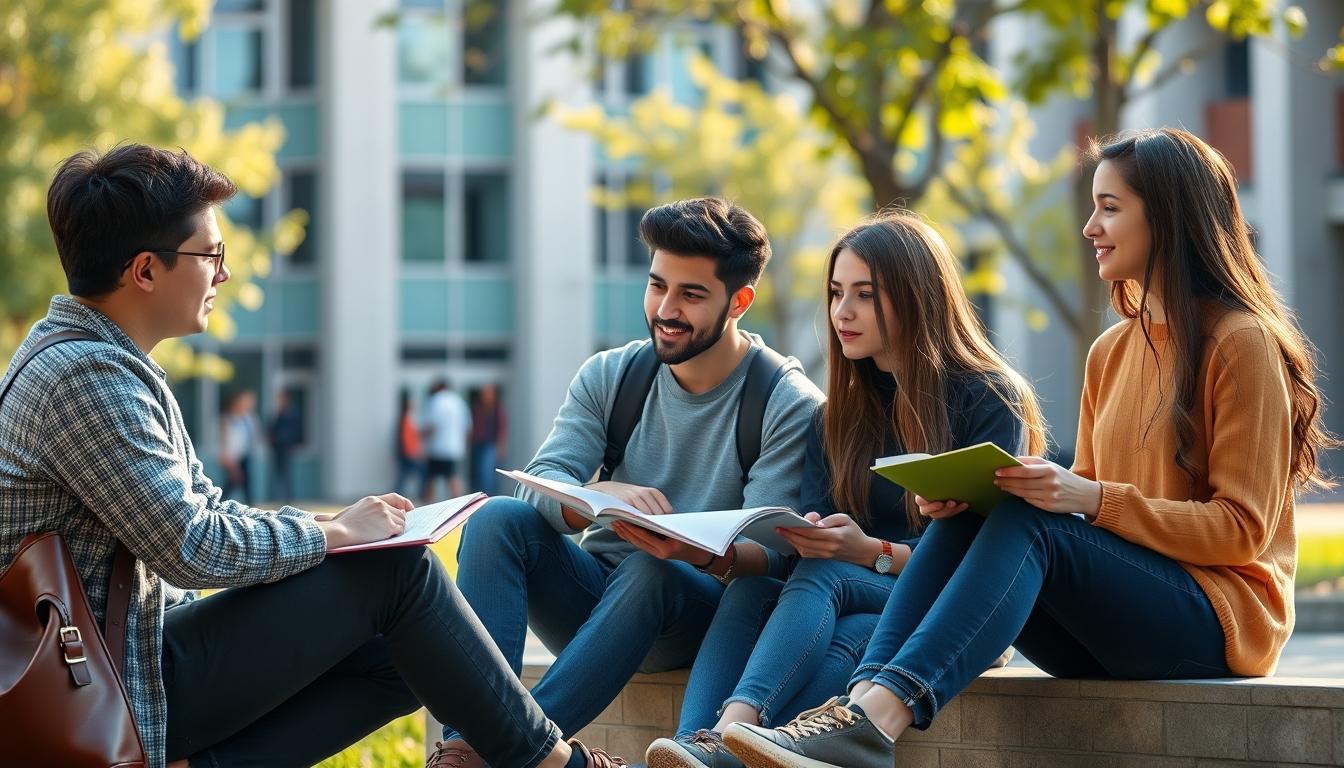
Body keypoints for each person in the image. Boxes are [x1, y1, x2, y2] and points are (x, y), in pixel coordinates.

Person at [720, 127, 1338, 768]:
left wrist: (1087, 497)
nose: (1090, 227)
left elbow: (1241, 531)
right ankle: (859, 710)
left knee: (1025, 520)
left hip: (1218, 621)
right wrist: (1002, 493)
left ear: (1169, 216)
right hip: (1108, 623)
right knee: (988, 506)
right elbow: (1087, 521)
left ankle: (876, 721)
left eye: (1110, 208)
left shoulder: (1241, 343)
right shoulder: (1111, 351)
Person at [0, 144, 624, 768]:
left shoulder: (101, 361)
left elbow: (204, 513)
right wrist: (332, 533)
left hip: (130, 656)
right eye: (212, 255)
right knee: (396, 575)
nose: (223, 275)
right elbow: (191, 547)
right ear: (144, 271)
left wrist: (339, 536)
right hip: (105, 681)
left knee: (410, 646)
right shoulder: (82, 376)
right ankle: (555, 764)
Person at [645, 213, 1046, 768]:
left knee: (827, 577)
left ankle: (730, 731)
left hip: (946, 616)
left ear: (916, 298)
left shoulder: (988, 398)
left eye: (864, 295)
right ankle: (699, 747)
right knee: (756, 590)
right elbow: (811, 546)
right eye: (836, 293)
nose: (843, 312)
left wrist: (869, 554)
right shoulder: (835, 420)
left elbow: (994, 562)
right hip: (850, 608)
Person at [440, 197, 825, 766]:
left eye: (691, 295)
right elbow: (538, 481)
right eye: (656, 286)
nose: (665, 309)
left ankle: (505, 749)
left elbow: (772, 554)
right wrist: (600, 499)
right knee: (498, 518)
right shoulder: (611, 375)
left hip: (696, 614)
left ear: (739, 301)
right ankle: (469, 745)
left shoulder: (786, 403)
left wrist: (690, 552)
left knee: (653, 567)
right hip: (593, 599)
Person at [422, 378, 471, 502]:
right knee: (453, 477)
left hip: (437, 447)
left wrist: (421, 437)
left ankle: (427, 506)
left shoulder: (436, 400)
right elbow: (467, 427)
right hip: (454, 447)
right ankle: (459, 505)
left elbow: (432, 425)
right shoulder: (458, 402)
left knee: (431, 478)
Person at [219, 388, 259, 504]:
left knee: (245, 483)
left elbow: (253, 437)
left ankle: (250, 505)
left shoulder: (249, 419)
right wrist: (228, 458)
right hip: (232, 457)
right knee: (232, 482)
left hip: (245, 456)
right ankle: (220, 502)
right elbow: (225, 441)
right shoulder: (227, 419)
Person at [468, 382, 507, 494]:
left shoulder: (497, 409)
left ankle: (489, 495)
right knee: (478, 472)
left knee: (487, 473)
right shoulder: (478, 407)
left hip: (490, 444)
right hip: (477, 444)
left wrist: (501, 446)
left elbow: (502, 428)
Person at [266, 388, 303, 503]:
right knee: (277, 474)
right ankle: (277, 497)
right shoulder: (280, 413)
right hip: (277, 448)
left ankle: (288, 498)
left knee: (286, 474)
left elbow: (293, 431)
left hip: (285, 448)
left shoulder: (291, 413)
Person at [395, 387, 426, 497]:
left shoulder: (408, 418)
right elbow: (407, 439)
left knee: (404, 476)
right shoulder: (405, 419)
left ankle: (396, 495)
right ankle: (421, 495)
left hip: (409, 453)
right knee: (420, 473)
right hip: (409, 454)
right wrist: (413, 453)